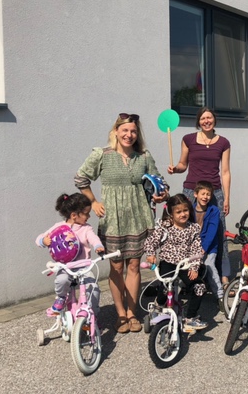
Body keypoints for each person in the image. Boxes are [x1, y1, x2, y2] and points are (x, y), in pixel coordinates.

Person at [75, 113, 168, 334]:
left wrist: (160, 195)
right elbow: (81, 179)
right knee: (116, 267)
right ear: (116, 131)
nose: (129, 135)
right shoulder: (102, 155)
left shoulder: (143, 157)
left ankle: (133, 313)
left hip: (138, 218)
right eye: (125, 130)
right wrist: (94, 202)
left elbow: (159, 183)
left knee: (134, 266)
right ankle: (120, 314)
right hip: (112, 221)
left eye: (133, 131)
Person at [167, 107, 232, 289]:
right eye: (203, 118)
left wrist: (226, 198)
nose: (206, 121)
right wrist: (176, 169)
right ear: (199, 121)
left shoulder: (223, 143)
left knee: (219, 230)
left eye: (209, 117)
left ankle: (223, 274)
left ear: (214, 120)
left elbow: (225, 172)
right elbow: (182, 164)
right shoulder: (188, 139)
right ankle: (185, 272)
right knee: (187, 230)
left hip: (214, 191)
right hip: (191, 191)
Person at [143, 194, 208, 331]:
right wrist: (150, 255)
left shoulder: (193, 228)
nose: (183, 214)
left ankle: (190, 317)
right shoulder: (165, 226)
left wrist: (194, 267)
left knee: (199, 287)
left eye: (185, 211)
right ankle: (159, 304)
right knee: (166, 287)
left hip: (185, 264)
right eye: (178, 212)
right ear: (171, 214)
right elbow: (151, 241)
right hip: (169, 263)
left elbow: (196, 249)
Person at [36, 193, 105, 315]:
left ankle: (92, 314)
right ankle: (61, 298)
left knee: (93, 289)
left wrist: (98, 246)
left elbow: (93, 238)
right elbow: (40, 238)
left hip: (84, 266)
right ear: (74, 215)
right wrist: (43, 241)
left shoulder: (86, 228)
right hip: (66, 266)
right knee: (61, 280)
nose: (88, 216)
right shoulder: (59, 227)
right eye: (86, 213)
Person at [192, 180, 224, 312]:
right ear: (195, 194)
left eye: (208, 194)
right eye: (203, 193)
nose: (205, 197)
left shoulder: (214, 211)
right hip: (193, 247)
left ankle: (219, 296)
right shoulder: (189, 210)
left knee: (210, 266)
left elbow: (212, 231)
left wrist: (204, 248)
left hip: (209, 247)